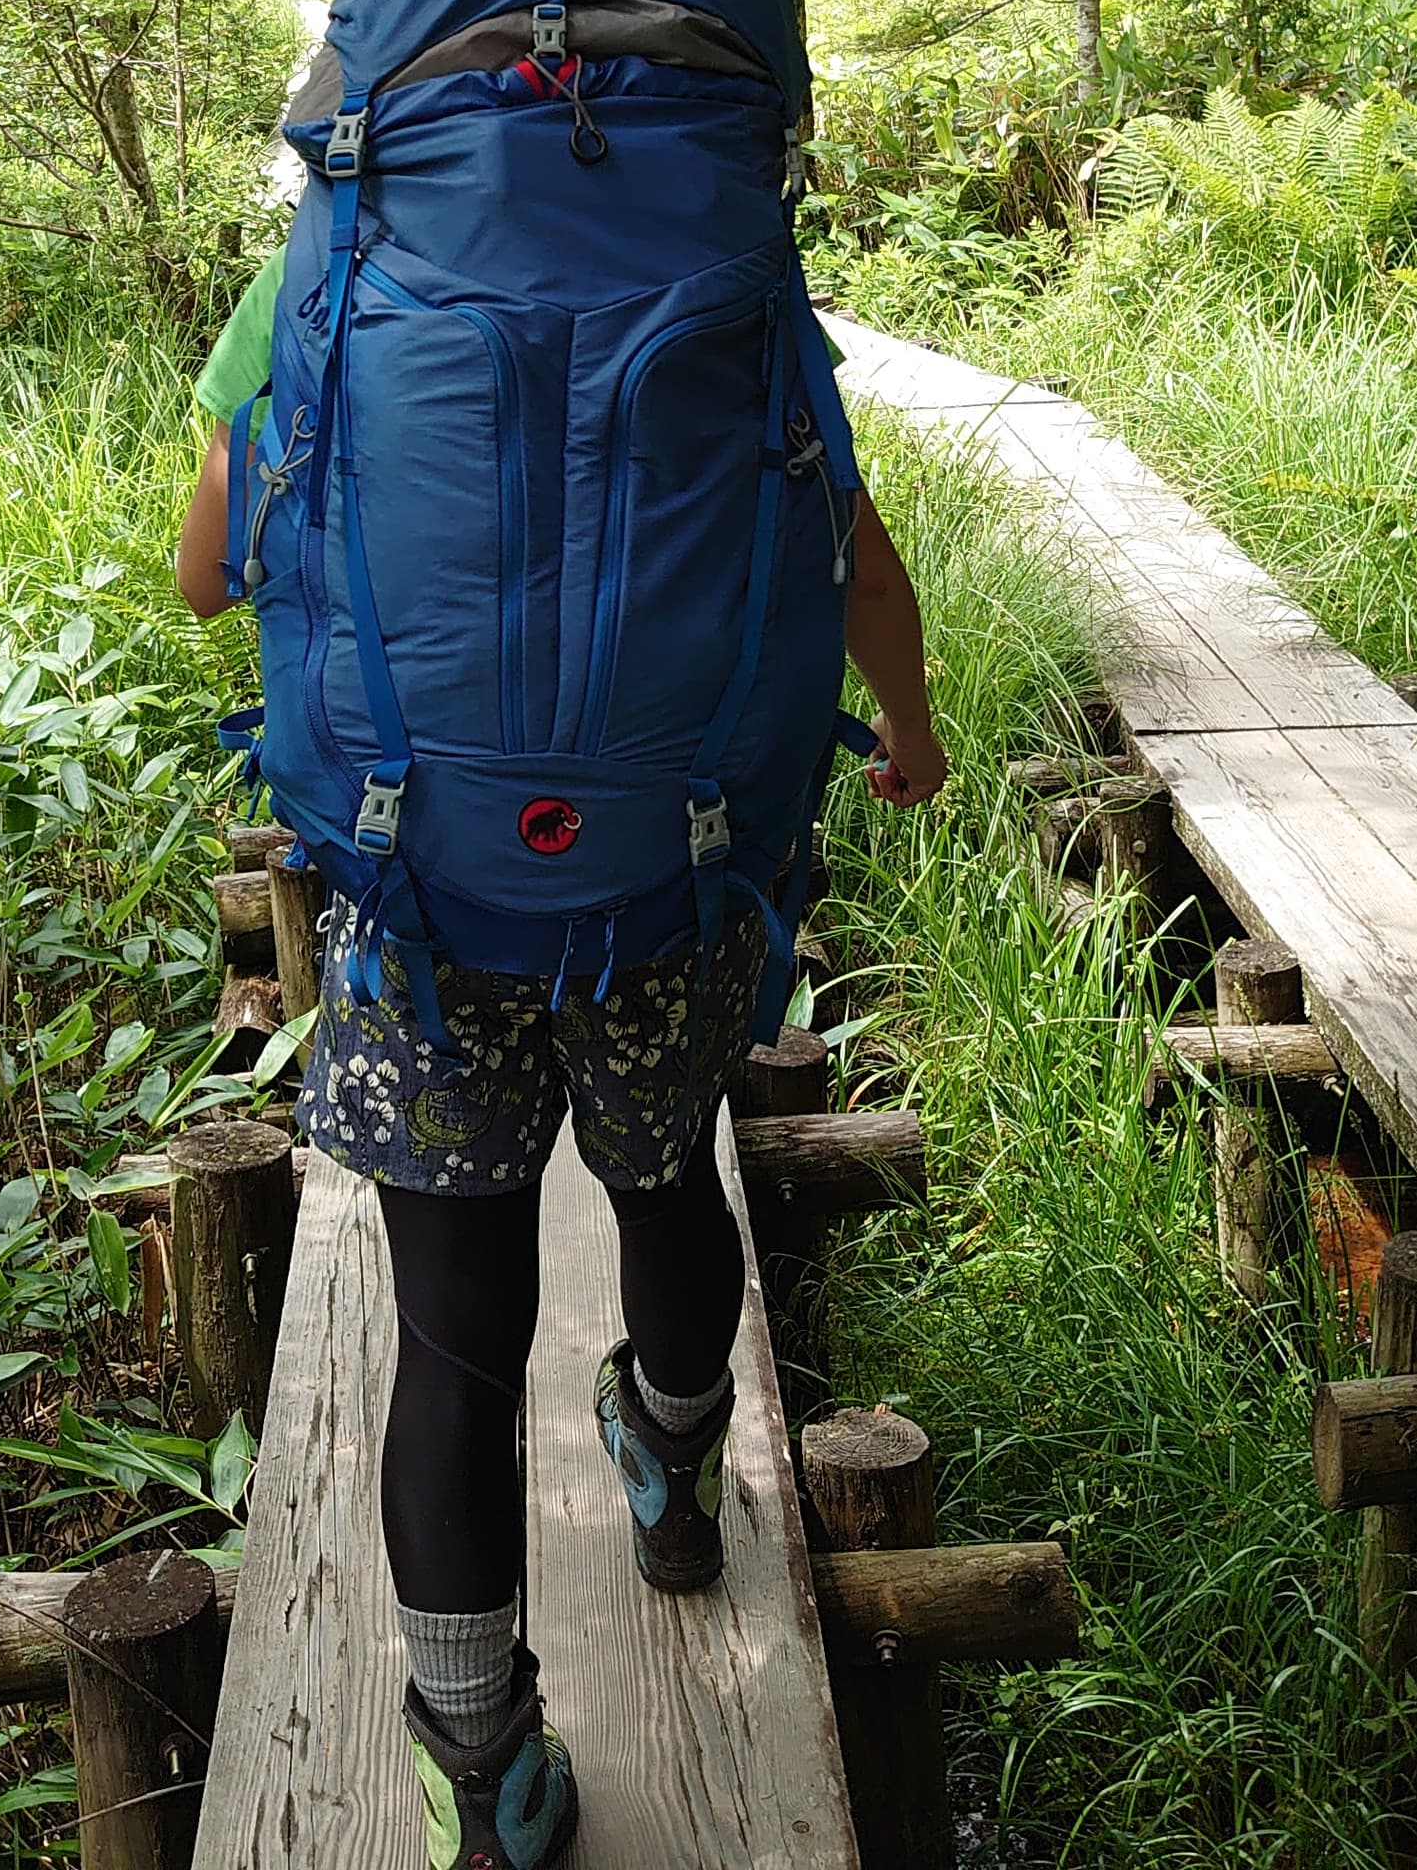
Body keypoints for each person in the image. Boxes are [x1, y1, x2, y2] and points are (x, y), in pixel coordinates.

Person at [174, 201, 944, 1870]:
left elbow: (204, 575)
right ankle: (673, 1467)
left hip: (423, 885)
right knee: (669, 1182)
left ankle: (486, 1765)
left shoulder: (328, 270)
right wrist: (911, 719)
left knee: (454, 1335)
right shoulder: (716, 255)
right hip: (666, 866)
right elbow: (839, 531)